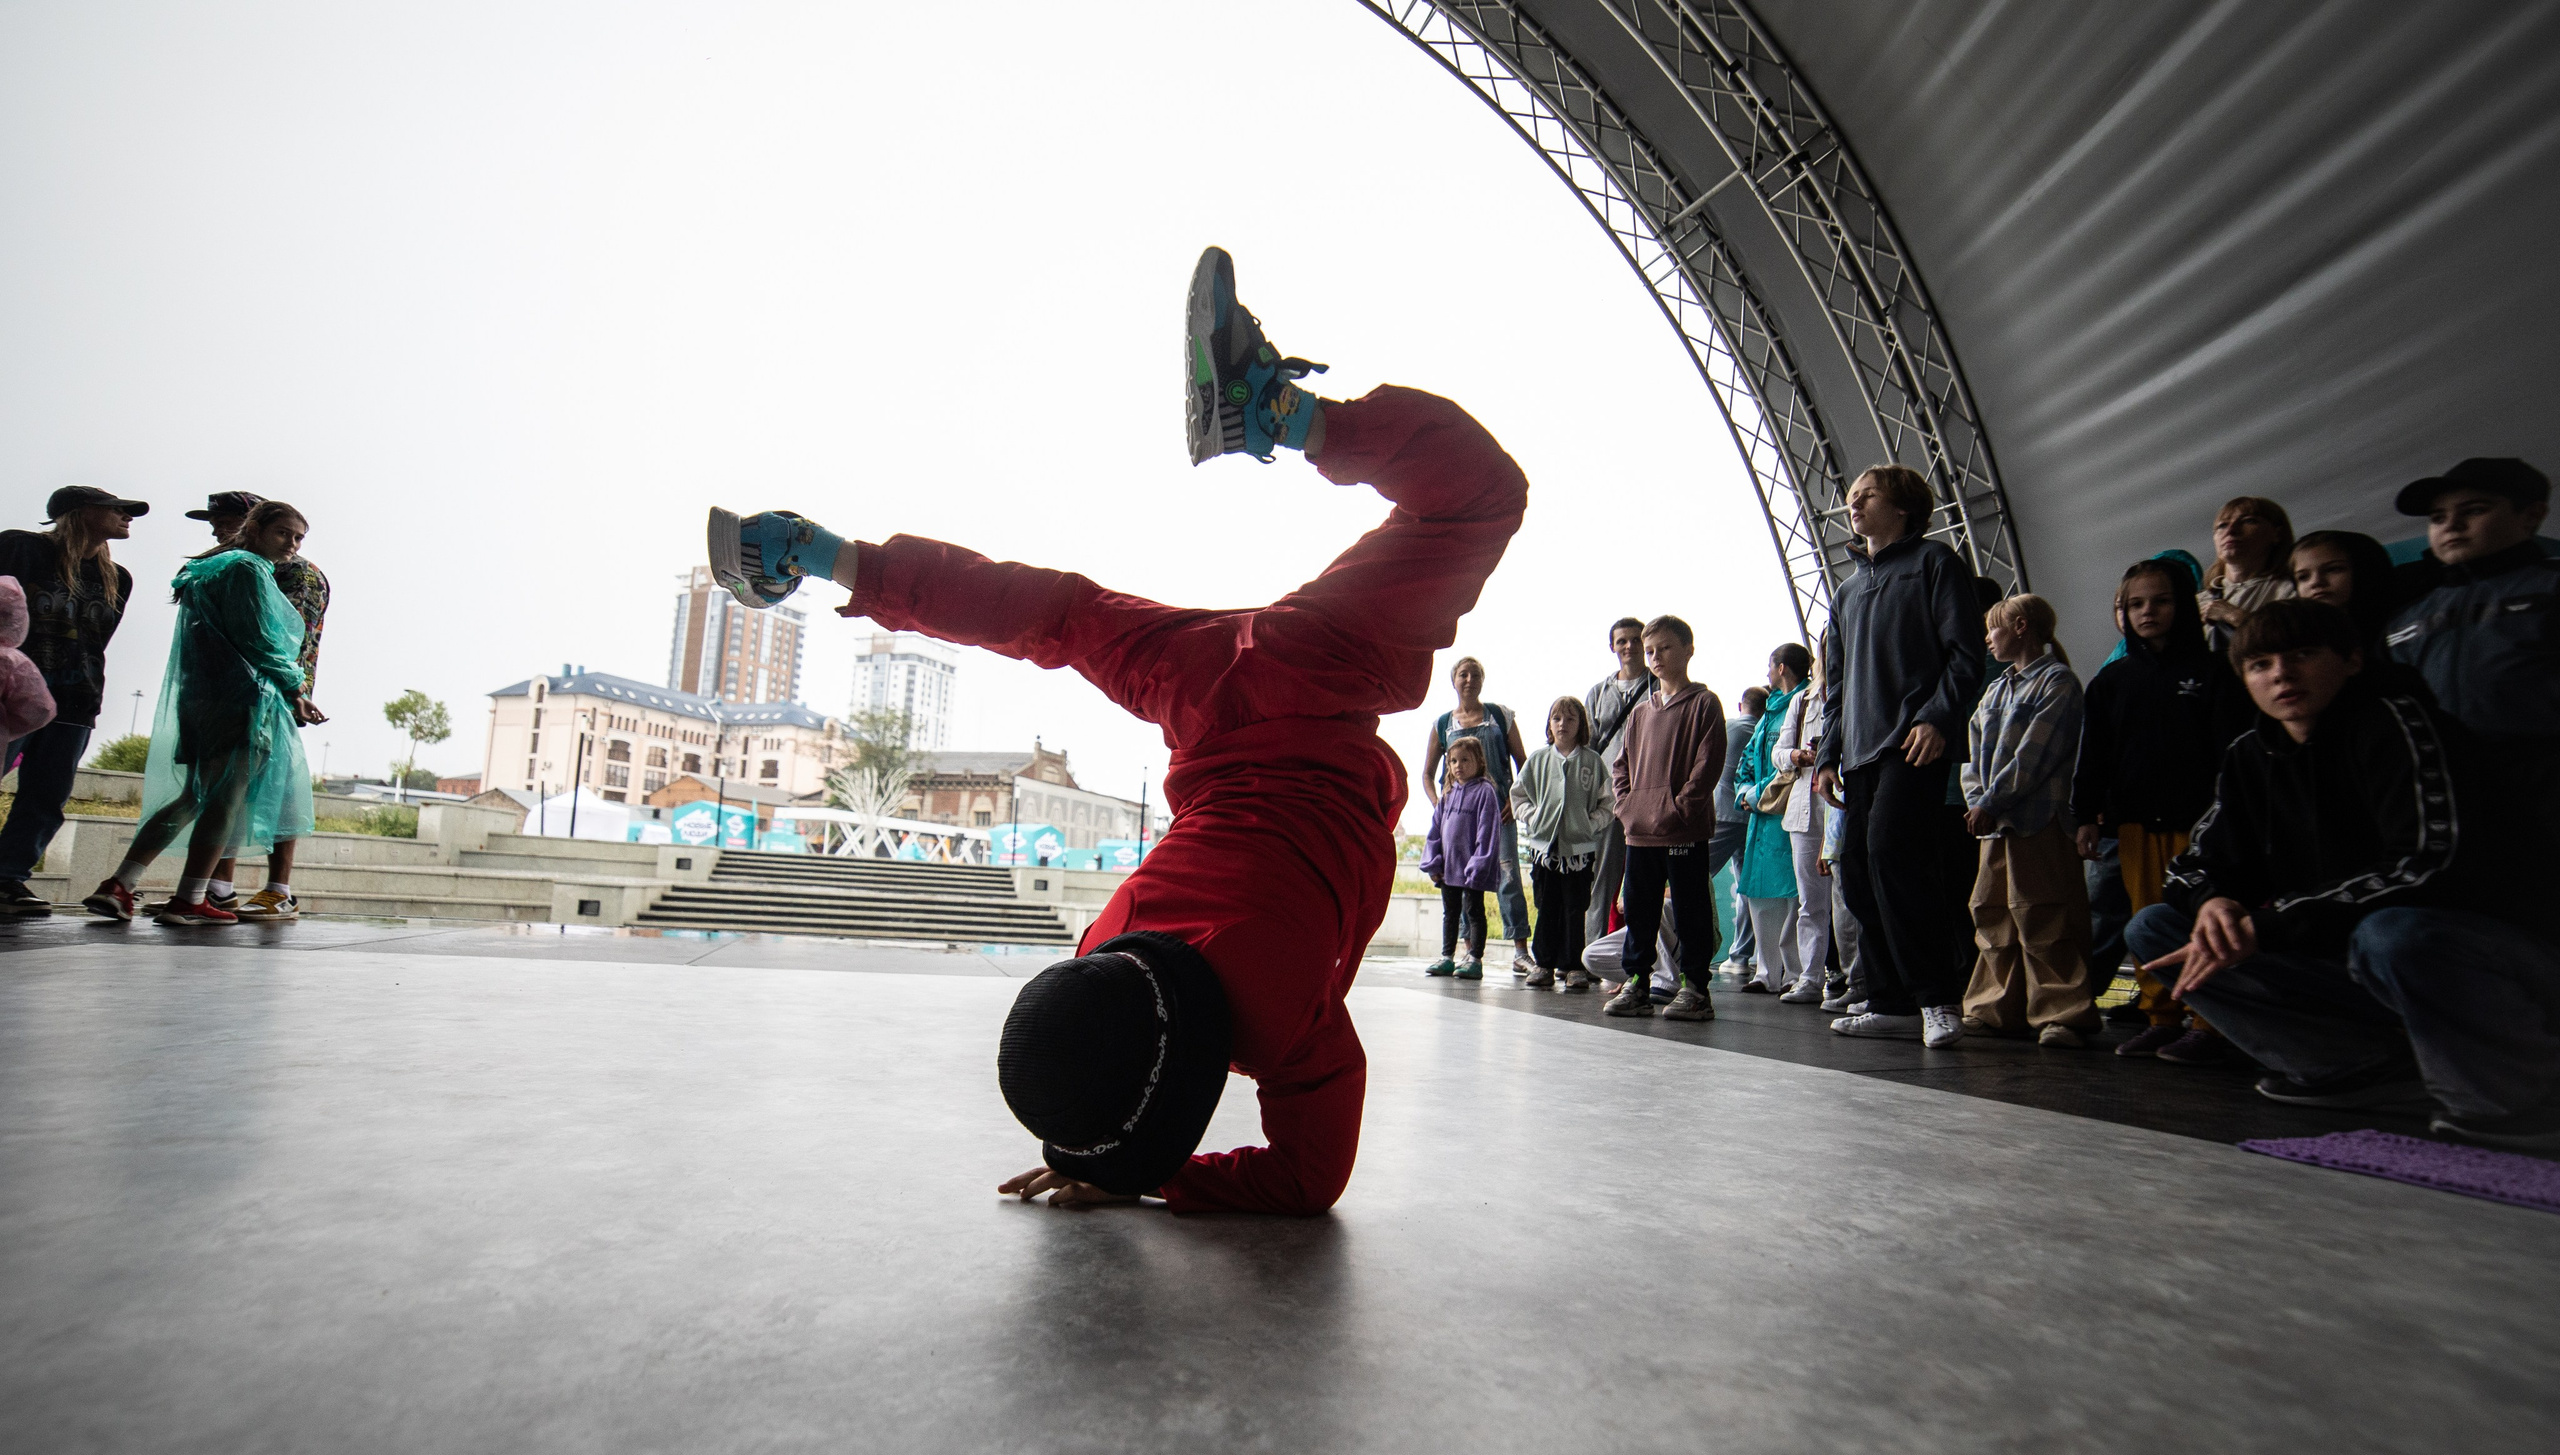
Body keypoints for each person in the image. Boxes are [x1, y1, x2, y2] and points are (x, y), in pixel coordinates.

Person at [708, 249, 1526, 1214]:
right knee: (1054, 615)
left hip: (1319, 681)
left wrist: (1152, 1172)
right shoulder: (1103, 946)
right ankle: (823, 555)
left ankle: (1270, 411)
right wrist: (1110, 1147)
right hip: (1205, 692)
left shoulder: (1282, 1018)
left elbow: (1307, 1181)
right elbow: (1096, 1032)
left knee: (1480, 500)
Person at [2129, 598, 2560, 1151]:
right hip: (2354, 961)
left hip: (2500, 961)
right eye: (2260, 664)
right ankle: (2355, 1068)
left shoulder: (2401, 724)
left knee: (2393, 933)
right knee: (2157, 928)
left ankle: (2514, 1096)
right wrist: (2213, 902)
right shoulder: (2251, 754)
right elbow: (2193, 865)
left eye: (2302, 655)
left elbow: (2427, 865)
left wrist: (2271, 924)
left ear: (2352, 660)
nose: (2281, 674)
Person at [1813, 465, 1985, 1047]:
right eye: (1851, 497)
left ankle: (1937, 998)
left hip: (1911, 742)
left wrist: (1937, 717)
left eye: (1868, 495)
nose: (1854, 504)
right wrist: (1828, 755)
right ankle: (1890, 1002)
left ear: (1904, 506)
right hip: (1858, 753)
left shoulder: (1935, 564)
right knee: (1857, 871)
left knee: (1895, 856)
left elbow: (1966, 655)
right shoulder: (1846, 591)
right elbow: (1836, 685)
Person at [81, 502, 316, 926]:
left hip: (198, 697)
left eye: (299, 538)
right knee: (224, 801)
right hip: (241, 700)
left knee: (193, 795)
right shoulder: (247, 568)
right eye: (284, 533)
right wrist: (294, 687)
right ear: (255, 528)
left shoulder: (209, 568)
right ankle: (189, 899)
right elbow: (257, 639)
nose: (292, 544)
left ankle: (120, 884)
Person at [2073, 558, 2256, 1062]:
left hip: (2201, 827)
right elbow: (2094, 756)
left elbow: (2233, 751)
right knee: (2144, 919)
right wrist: (2085, 815)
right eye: (2135, 604)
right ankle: (2161, 1015)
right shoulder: (2111, 682)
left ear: (2186, 606)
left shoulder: (2216, 672)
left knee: (2201, 921)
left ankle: (2210, 1021)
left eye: (2161, 601)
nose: (2147, 612)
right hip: (2136, 824)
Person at [179, 493, 331, 922]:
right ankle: (218, 887)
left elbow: (287, 637)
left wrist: (293, 692)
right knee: (226, 789)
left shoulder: (293, 571)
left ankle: (278, 889)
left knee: (280, 786)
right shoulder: (228, 564)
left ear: (252, 523)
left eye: (225, 520)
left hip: (275, 692)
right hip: (222, 691)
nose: (216, 529)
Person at [1957, 595, 2101, 1045]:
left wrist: (1990, 802)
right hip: (1995, 823)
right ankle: (1996, 1007)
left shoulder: (2058, 683)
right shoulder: (1997, 689)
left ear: (2021, 627)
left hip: (2039, 821)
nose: (1988, 638)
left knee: (2045, 915)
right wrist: (1979, 800)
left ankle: (2063, 1014)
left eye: (1994, 628)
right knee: (1992, 915)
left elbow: (2034, 757)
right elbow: (1970, 758)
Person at [2383, 458, 2556, 822]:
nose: (2452, 525)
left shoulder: (2551, 587)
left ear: (2532, 515)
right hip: (2450, 795)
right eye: (2437, 517)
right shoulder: (2406, 619)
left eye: (2474, 510)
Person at [0, 487, 144, 916]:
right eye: (115, 508)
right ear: (78, 512)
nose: (126, 515)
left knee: (47, 796)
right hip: (11, 694)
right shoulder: (20, 548)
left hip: (75, 697)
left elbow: (97, 639)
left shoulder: (117, 578)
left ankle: (7, 879)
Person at [1603, 616, 1727, 1021]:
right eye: (1650, 650)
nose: (1655, 657)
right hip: (1640, 833)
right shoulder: (1641, 712)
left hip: (1682, 830)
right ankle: (1637, 984)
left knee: (1691, 910)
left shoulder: (1704, 703)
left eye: (1665, 648)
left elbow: (1707, 766)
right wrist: (1627, 808)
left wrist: (1679, 809)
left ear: (1688, 650)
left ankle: (1696, 989)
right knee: (1640, 911)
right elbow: (1621, 766)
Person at [1422, 656, 1532, 973]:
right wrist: (1440, 806)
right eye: (1463, 674)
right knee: (1456, 881)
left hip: (1499, 815)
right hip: (1457, 820)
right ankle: (1468, 953)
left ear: (1483, 680)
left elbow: (1524, 764)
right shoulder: (1443, 724)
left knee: (1508, 877)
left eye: (1475, 674)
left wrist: (1515, 798)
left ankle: (1520, 952)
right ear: (1453, 680)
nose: (1469, 680)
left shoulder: (1500, 716)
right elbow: (1427, 774)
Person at [1511, 695, 1613, 990]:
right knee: (1546, 906)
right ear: (1549, 724)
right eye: (1556, 718)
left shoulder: (1592, 762)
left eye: (1570, 718)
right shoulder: (1538, 760)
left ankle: (1573, 966)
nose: (1562, 724)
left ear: (1581, 724)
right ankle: (1544, 964)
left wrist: (1590, 825)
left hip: (1579, 851)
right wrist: (1534, 818)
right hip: (1544, 849)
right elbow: (1518, 796)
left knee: (1575, 907)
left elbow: (1608, 803)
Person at [1730, 646, 1809, 995]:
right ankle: (1766, 972)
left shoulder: (1804, 704)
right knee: (1760, 896)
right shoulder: (1769, 712)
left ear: (1781, 668)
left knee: (1794, 896)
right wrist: (1744, 791)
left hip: (1786, 813)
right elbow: (1748, 758)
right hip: (1760, 818)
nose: (1766, 673)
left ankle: (1794, 973)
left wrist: (1755, 794)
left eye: (1769, 666)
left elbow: (1794, 763)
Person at [1582, 617, 1654, 945]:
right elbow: (1588, 745)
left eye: (1635, 639)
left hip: (1648, 793)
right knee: (1601, 877)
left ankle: (1642, 953)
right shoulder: (1599, 692)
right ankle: (1592, 951)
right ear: (1612, 646)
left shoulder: (1659, 686)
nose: (1629, 646)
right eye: (1622, 641)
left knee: (1646, 876)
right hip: (1608, 795)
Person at [2289, 529, 2425, 700]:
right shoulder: (2302, 640)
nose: (2316, 582)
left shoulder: (2406, 627)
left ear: (2365, 570)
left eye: (2333, 569)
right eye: (2303, 577)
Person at [1774, 655, 1833, 1004]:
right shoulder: (1803, 700)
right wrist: (1796, 756)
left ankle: (1853, 978)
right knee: (1810, 901)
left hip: (1844, 805)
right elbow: (1778, 753)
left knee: (1849, 900)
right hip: (1805, 809)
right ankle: (1810, 977)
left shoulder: (1859, 689)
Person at [1421, 736, 1502, 980]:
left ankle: (1475, 959)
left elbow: (1487, 832)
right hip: (1449, 869)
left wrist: (1479, 864)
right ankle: (1447, 957)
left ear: (1479, 761)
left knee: (1474, 912)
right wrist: (1434, 862)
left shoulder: (1485, 792)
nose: (1458, 766)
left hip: (1472, 871)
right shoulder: (1447, 794)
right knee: (1450, 913)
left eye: (1465, 760)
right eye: (1453, 761)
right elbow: (1435, 831)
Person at [1711, 684, 1766, 980]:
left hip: (1722, 813)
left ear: (1740, 705)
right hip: (1753, 815)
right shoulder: (1764, 731)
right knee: (1746, 887)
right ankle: (1741, 956)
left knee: (1693, 875)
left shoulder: (1726, 727)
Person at [2198, 496, 2296, 653]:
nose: (2231, 531)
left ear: (2277, 534)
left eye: (2248, 521)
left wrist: (2235, 616)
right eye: (2222, 525)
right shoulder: (2198, 601)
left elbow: (2298, 643)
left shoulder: (2291, 590)